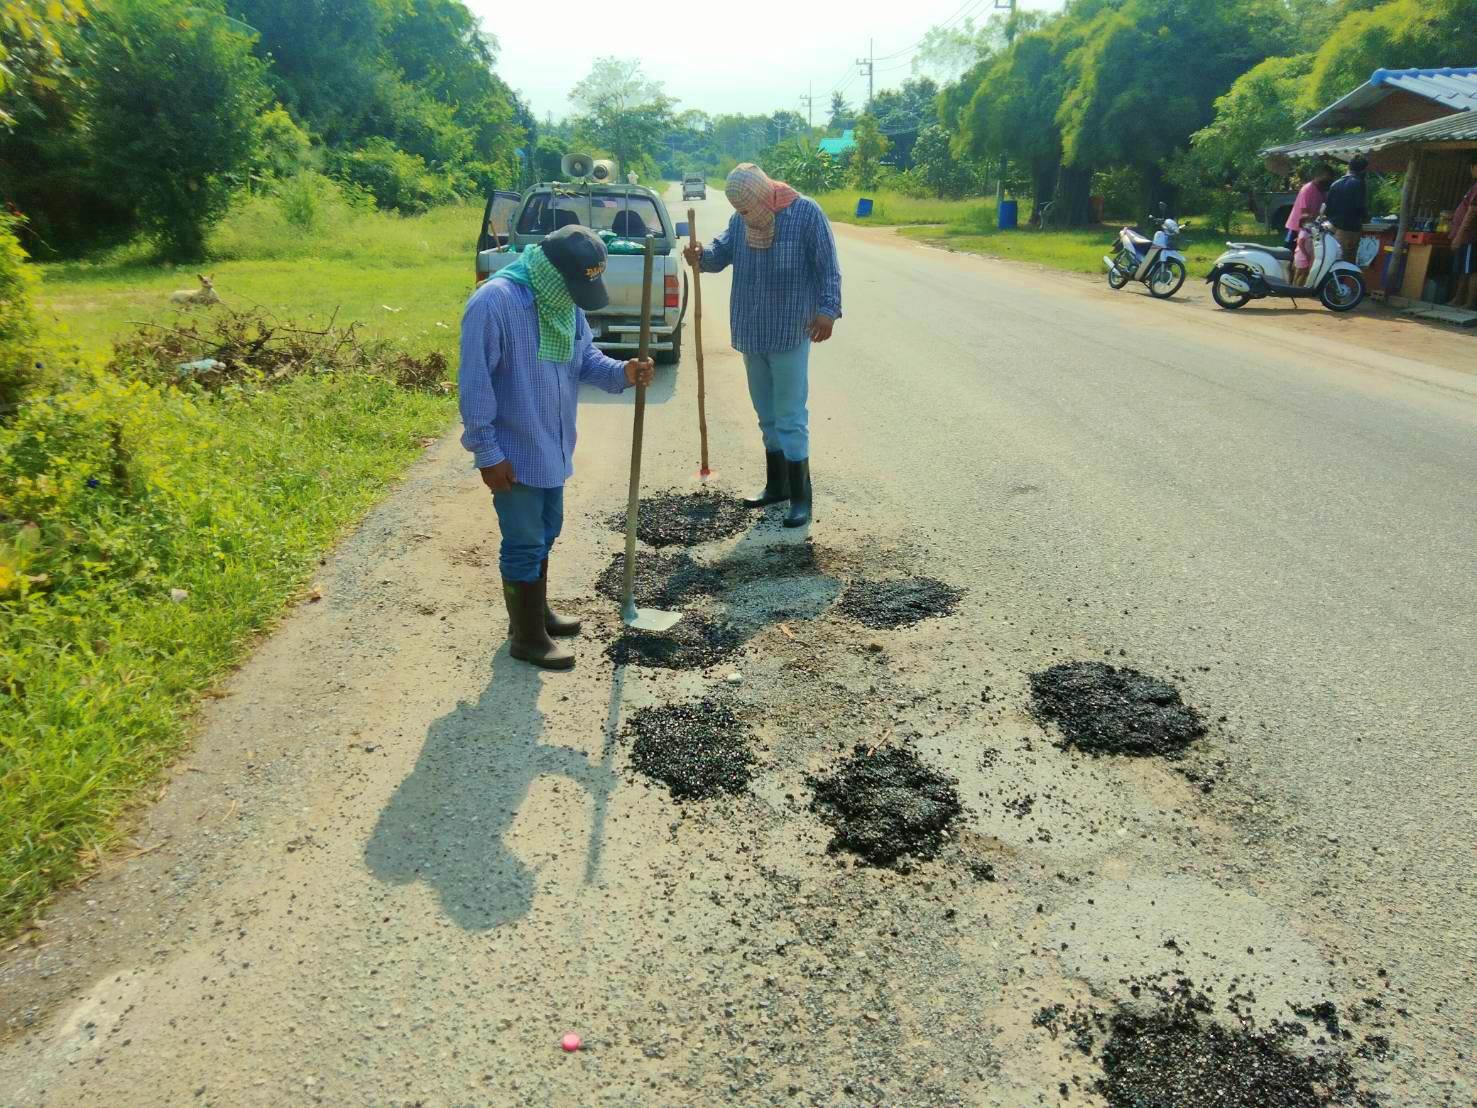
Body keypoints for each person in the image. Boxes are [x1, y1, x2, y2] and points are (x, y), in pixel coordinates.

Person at [458, 224, 654, 671]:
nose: (577, 293)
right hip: (513, 451)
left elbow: (585, 360)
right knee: (524, 542)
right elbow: (474, 388)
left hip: (553, 445)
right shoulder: (495, 304)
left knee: (547, 531)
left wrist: (623, 372)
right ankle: (526, 637)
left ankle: (534, 614)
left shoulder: (563, 303)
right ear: (550, 271)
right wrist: (487, 454)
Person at [683, 163, 842, 528]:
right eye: (738, 211)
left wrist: (828, 311)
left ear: (762, 194)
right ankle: (777, 486)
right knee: (766, 415)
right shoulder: (742, 221)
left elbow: (828, 268)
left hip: (790, 331)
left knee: (789, 416)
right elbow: (720, 253)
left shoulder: (805, 214)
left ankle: (802, 498)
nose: (743, 216)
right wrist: (699, 256)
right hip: (752, 331)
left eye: (745, 208)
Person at [1286, 164, 1334, 286]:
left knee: (1302, 263)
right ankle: (1289, 284)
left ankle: (1298, 285)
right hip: (1299, 227)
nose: (1328, 181)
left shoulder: (1321, 191)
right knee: (1291, 259)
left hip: (1310, 230)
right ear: (1319, 176)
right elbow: (1304, 213)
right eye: (1327, 178)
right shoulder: (1308, 189)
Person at [1324, 156, 1370, 266]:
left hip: (1333, 228)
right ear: (1363, 170)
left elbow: (1327, 209)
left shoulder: (1335, 184)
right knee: (1347, 263)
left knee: (1333, 260)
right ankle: (1341, 283)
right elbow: (1360, 207)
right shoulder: (1359, 184)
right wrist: (1366, 218)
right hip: (1350, 230)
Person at [1446, 155, 1477, 310]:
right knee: (1465, 269)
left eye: (1472, 167)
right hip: (1467, 236)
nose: (1471, 170)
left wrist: (1459, 236)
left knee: (1470, 270)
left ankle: (1467, 302)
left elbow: (1472, 212)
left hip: (1470, 236)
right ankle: (1459, 299)